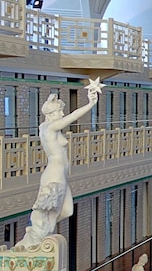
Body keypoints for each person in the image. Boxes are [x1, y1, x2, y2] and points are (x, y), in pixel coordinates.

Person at [17, 79, 101, 247]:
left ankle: (41, 233)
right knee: (46, 211)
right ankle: (36, 239)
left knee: (67, 210)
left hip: (59, 174)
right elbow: (73, 117)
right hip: (55, 174)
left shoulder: (45, 127)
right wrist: (91, 104)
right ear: (51, 114)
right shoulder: (49, 128)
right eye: (59, 111)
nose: (62, 114)